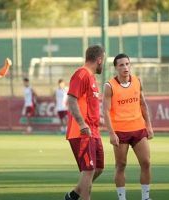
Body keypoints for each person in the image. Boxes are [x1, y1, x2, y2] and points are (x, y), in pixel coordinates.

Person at [103, 53, 154, 200]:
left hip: (138, 128)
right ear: (116, 68)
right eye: (121, 65)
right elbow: (105, 112)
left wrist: (148, 125)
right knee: (121, 165)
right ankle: (122, 198)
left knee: (146, 162)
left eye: (127, 64)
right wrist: (111, 133)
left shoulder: (137, 81)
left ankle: (145, 197)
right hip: (120, 132)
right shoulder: (109, 86)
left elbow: (143, 104)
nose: (125, 67)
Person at [64, 45, 105, 200]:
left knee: (99, 168)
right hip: (81, 132)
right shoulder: (81, 74)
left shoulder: (91, 77)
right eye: (104, 60)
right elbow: (71, 100)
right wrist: (82, 124)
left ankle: (74, 195)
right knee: (88, 170)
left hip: (93, 131)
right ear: (99, 60)